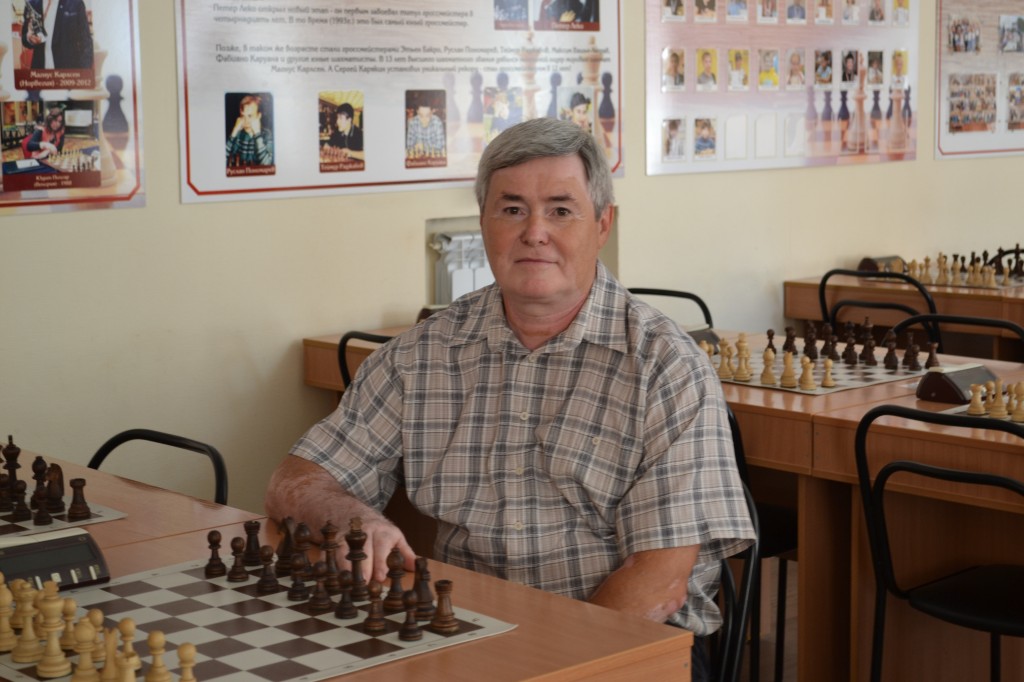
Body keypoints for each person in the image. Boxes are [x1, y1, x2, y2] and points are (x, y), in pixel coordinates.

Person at [265, 117, 754, 682]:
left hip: (623, 649)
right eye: (513, 209)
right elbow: (294, 480)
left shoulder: (666, 366)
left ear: (603, 223)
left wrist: (547, 670)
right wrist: (353, 518)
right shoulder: (423, 353)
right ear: (484, 223)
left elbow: (659, 584)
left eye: (561, 210)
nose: (534, 232)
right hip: (464, 633)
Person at [20, 0, 93, 70]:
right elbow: (24, 39)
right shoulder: (32, 4)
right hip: (40, 73)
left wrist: (84, 73)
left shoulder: (76, 4)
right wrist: (29, 38)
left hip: (68, 73)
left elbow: (86, 42)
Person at [225, 95, 274, 166]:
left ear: (259, 116)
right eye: (243, 116)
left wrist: (257, 134)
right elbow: (222, 162)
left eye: (250, 116)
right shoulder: (237, 135)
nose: (246, 120)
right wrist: (234, 132)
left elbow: (267, 165)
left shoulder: (267, 135)